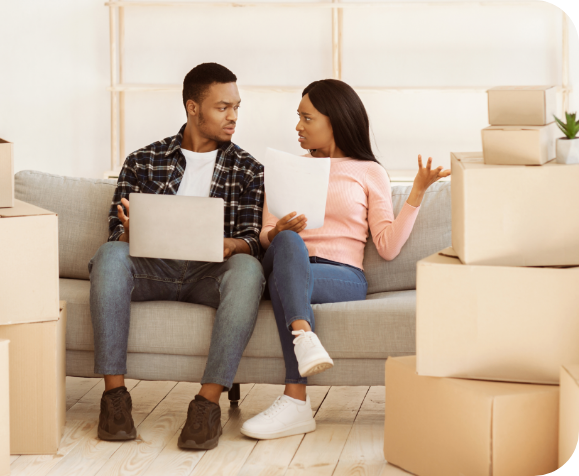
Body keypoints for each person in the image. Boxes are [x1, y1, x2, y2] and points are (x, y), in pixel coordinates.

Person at [240, 79, 450, 440]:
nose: (298, 127)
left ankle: (296, 403)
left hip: (342, 276)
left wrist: (416, 193)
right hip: (287, 260)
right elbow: (264, 236)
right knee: (289, 243)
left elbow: (387, 245)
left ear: (333, 119)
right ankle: (302, 346)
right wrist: (278, 232)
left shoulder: (369, 171)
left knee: (284, 279)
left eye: (307, 118)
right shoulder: (285, 168)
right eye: (298, 117)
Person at [89, 63, 265, 450]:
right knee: (109, 256)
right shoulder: (142, 160)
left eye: (236, 106)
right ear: (192, 108)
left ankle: (207, 404)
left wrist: (231, 245)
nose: (233, 116)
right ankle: (114, 400)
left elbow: (253, 239)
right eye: (222, 107)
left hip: (209, 275)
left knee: (249, 270)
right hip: (154, 270)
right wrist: (131, 232)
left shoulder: (248, 169)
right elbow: (114, 232)